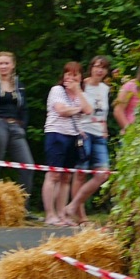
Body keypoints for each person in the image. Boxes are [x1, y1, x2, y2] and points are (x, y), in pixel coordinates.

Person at [0, 51, 35, 214]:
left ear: (13, 65)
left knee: (28, 165)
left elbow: (24, 108)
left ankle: (23, 209)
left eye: (6, 63)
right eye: (0, 63)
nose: (3, 66)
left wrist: (23, 126)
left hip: (16, 126)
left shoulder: (20, 85)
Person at [42, 61, 92, 226]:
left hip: (73, 137)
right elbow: (61, 110)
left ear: (80, 77)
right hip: (56, 133)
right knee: (53, 174)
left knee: (66, 177)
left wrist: (77, 92)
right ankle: (50, 214)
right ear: (63, 76)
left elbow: (89, 110)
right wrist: (78, 110)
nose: (71, 77)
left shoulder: (79, 93)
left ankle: (62, 214)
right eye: (68, 74)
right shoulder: (57, 90)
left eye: (75, 74)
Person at [65, 55, 111, 225]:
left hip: (99, 133)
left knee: (102, 174)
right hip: (83, 131)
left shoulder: (105, 89)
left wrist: (104, 126)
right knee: (80, 174)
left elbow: (103, 111)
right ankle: (81, 216)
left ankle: (73, 205)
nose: (100, 70)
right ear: (91, 68)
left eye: (103, 67)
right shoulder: (81, 84)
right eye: (97, 66)